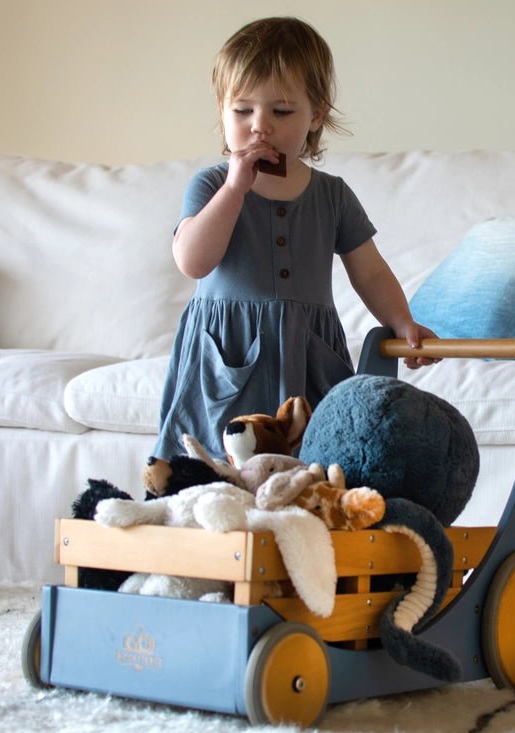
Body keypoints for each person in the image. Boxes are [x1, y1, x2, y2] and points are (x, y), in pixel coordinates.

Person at [154, 16, 437, 459]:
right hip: (229, 349)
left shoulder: (332, 195)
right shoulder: (211, 184)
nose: (259, 126)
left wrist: (402, 321)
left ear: (315, 115)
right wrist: (234, 190)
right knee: (216, 459)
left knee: (314, 457)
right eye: (242, 110)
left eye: (281, 111)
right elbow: (193, 261)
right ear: (222, 112)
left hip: (308, 349)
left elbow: (370, 270)